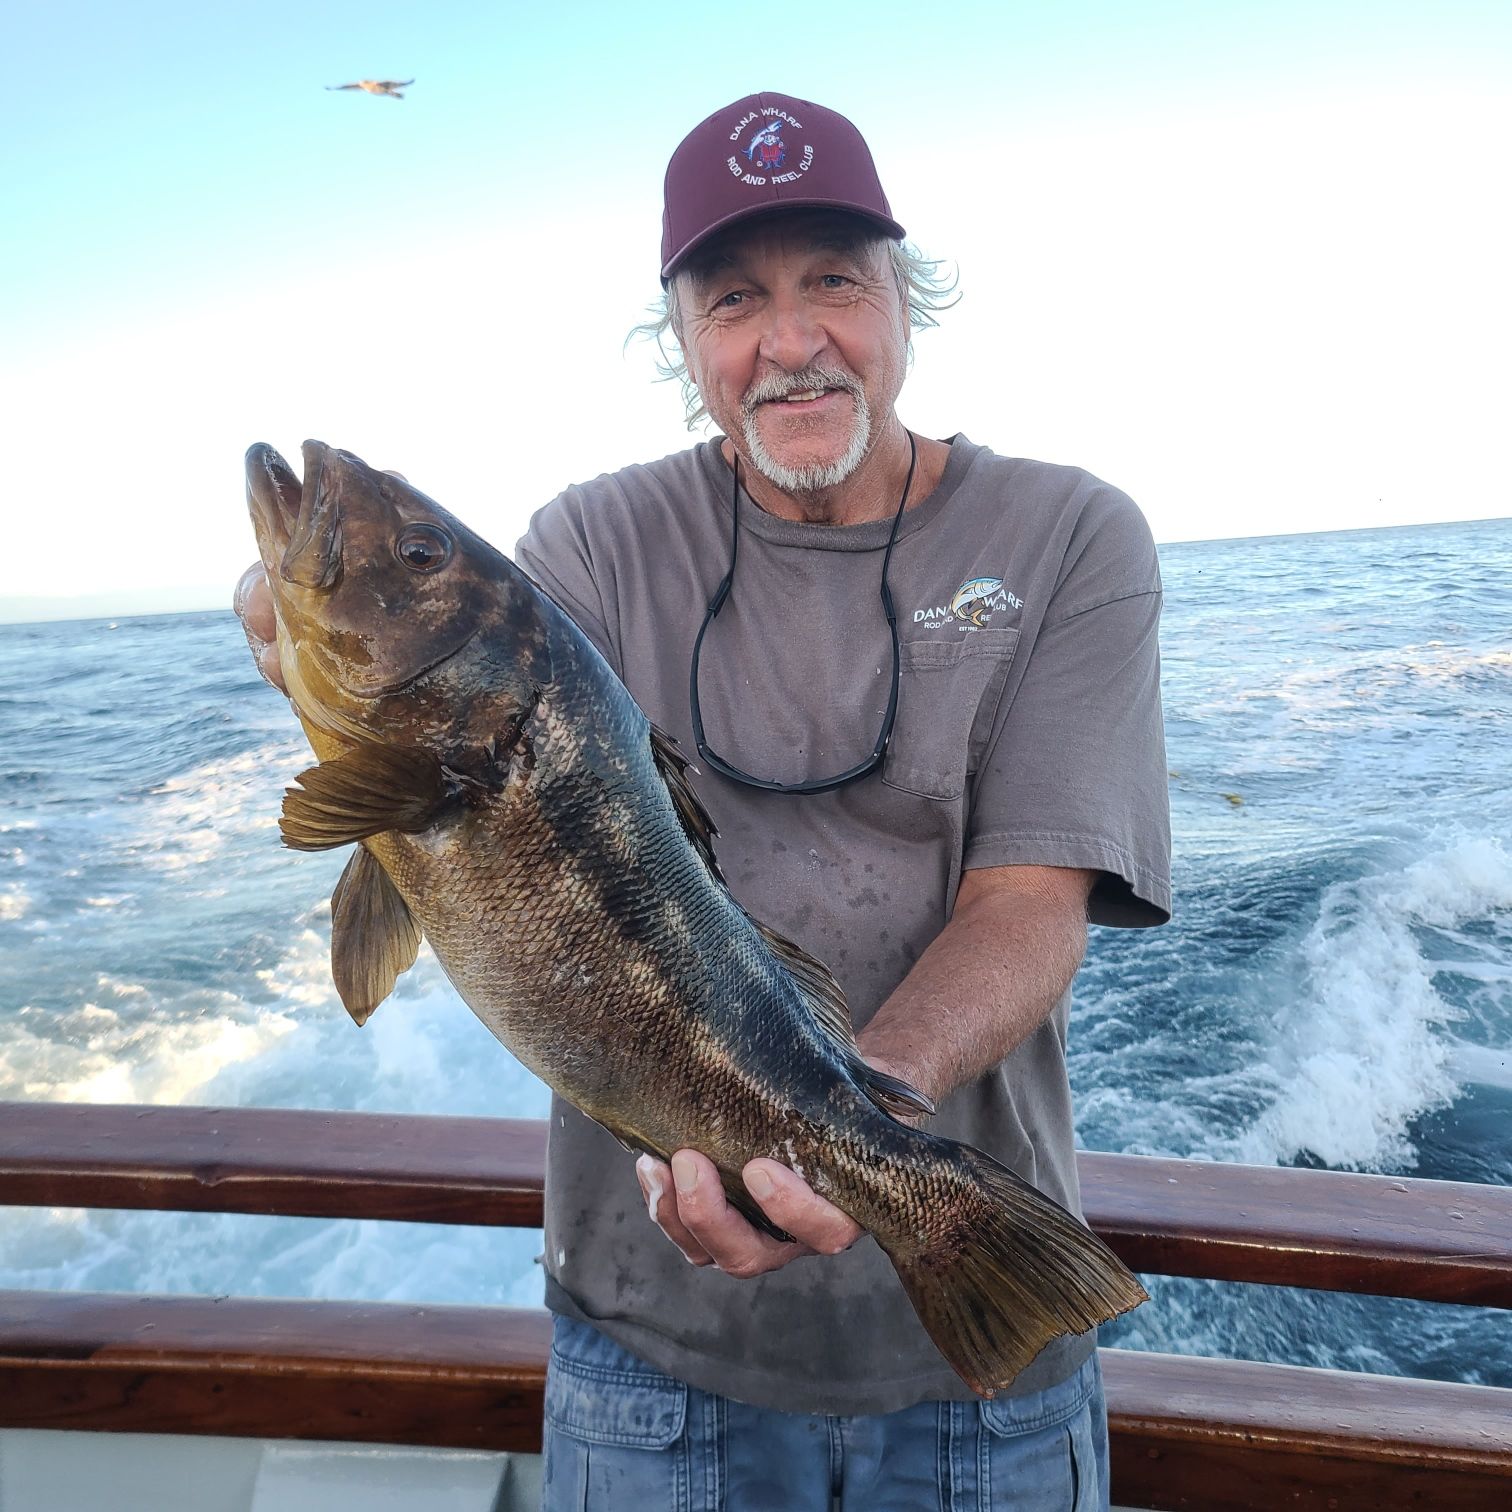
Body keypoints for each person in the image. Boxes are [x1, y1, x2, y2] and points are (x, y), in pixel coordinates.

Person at [237, 90, 1170, 1510]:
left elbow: (1030, 904)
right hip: (650, 1356)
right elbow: (440, 743)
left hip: (985, 1383)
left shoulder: (1068, 535)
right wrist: (286, 616)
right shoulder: (591, 547)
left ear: (904, 300)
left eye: (833, 283)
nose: (790, 342)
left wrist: (856, 1133)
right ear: (681, 338)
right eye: (734, 299)